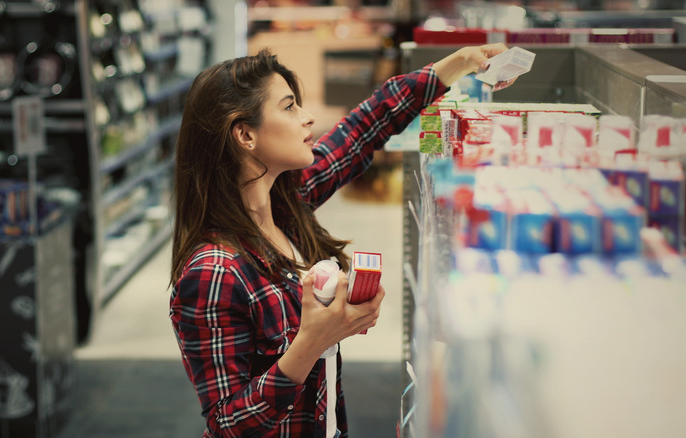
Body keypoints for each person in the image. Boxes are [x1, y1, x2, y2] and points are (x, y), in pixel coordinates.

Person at [169, 43, 511, 438]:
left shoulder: (287, 209)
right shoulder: (213, 270)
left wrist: (455, 66)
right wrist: (312, 342)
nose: (308, 116)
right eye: (289, 107)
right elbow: (228, 423)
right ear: (245, 134)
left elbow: (362, 130)